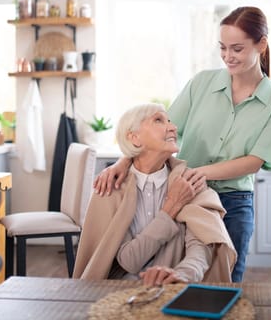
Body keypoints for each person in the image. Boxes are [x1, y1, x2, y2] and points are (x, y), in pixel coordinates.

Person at [94, 6, 271, 282]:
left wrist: (199, 173)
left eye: (236, 49)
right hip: (187, 195)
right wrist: (123, 160)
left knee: (227, 279)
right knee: (182, 274)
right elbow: (164, 133)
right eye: (222, 47)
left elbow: (255, 160)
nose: (227, 56)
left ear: (261, 44)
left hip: (234, 203)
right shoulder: (202, 83)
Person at [73, 103, 237, 286]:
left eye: (170, 121)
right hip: (120, 290)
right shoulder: (111, 188)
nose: (173, 127)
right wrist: (170, 208)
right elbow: (129, 261)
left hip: (177, 288)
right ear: (134, 138)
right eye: (159, 120)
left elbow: (201, 247)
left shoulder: (190, 182)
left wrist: (183, 275)